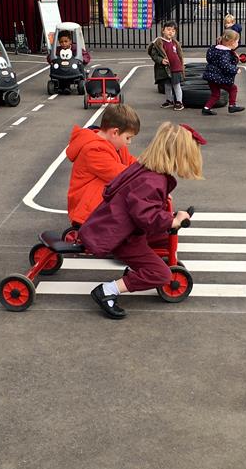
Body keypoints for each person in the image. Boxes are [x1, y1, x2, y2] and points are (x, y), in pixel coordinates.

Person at [79, 122, 206, 320]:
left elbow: (141, 204)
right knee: (162, 275)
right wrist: (173, 220)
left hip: (120, 228)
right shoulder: (152, 181)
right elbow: (147, 217)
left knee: (165, 241)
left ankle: (144, 266)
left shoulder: (147, 169)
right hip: (122, 237)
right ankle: (107, 291)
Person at [66, 104, 140, 227]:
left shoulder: (118, 146)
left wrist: (150, 167)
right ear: (115, 132)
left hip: (97, 207)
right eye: (128, 137)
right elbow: (121, 175)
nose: (129, 142)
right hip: (87, 211)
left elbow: (132, 163)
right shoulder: (94, 150)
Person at [201, 29, 245, 116]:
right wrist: (235, 70)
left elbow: (211, 59)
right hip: (219, 78)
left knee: (215, 94)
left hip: (210, 76)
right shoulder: (225, 53)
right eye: (237, 42)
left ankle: (206, 108)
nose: (237, 44)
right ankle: (232, 105)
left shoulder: (214, 49)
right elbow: (225, 66)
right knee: (233, 88)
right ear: (231, 42)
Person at [148, 20, 186, 111]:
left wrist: (181, 66)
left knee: (176, 85)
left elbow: (179, 55)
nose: (171, 32)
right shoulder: (159, 42)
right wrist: (161, 60)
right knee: (168, 85)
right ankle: (169, 100)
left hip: (176, 67)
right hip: (166, 68)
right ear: (163, 30)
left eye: (173, 31)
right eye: (168, 29)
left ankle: (179, 102)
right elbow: (153, 54)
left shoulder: (175, 43)